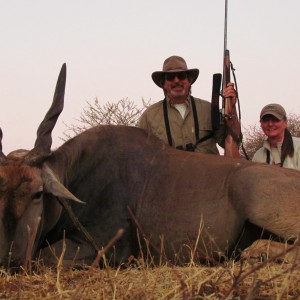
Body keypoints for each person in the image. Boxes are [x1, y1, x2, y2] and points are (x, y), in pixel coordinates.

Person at [138, 55, 237, 154]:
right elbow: (140, 153)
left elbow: (232, 142)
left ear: (189, 81)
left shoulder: (208, 109)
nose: (176, 80)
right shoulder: (149, 116)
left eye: (181, 76)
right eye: (170, 77)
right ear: (163, 83)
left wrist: (232, 109)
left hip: (208, 169)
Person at [252, 103, 300, 170]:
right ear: (261, 124)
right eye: (266, 120)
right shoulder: (258, 156)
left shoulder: (298, 147)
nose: (270, 124)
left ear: (285, 122)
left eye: (275, 120)